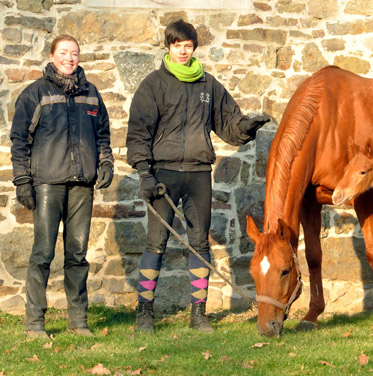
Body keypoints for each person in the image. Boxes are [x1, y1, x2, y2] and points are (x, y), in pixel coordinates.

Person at [126, 19, 269, 333]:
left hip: (198, 175)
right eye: (177, 46)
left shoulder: (209, 85)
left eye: (188, 46)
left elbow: (229, 123)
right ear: (169, 47)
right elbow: (138, 133)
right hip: (162, 176)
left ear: (194, 48)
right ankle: (145, 315)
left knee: (199, 245)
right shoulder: (153, 85)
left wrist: (247, 128)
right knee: (156, 244)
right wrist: (144, 173)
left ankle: (198, 315)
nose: (183, 51)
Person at [10, 35, 114, 339]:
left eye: (75, 53)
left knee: (77, 255)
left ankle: (78, 322)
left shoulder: (91, 94)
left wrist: (105, 164)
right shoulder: (35, 93)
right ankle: (34, 324)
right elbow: (19, 141)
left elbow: (103, 135)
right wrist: (22, 181)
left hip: (82, 185)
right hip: (47, 185)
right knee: (42, 254)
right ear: (53, 55)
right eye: (64, 53)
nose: (70, 58)